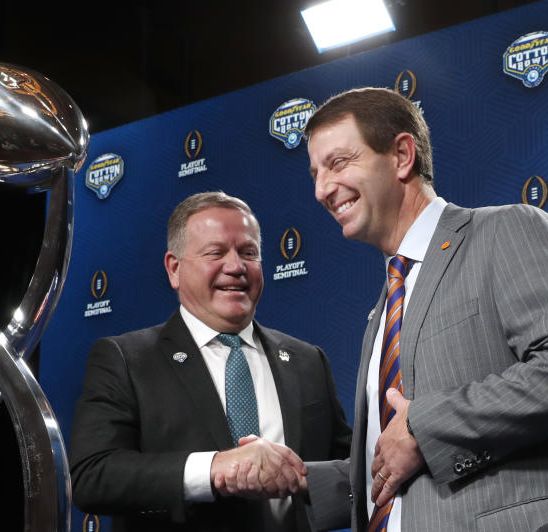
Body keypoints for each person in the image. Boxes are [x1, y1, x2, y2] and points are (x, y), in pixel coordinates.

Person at [301, 87, 548, 532]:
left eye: (338, 163)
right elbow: (398, 458)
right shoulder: (384, 309)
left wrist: (425, 427)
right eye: (314, 173)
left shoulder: (505, 230)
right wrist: (298, 481)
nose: (321, 190)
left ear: (401, 155)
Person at [69, 191, 352, 532]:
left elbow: (354, 471)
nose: (235, 267)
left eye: (249, 253)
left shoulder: (308, 361)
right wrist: (215, 469)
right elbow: (92, 476)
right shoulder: (127, 359)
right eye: (215, 253)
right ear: (174, 269)